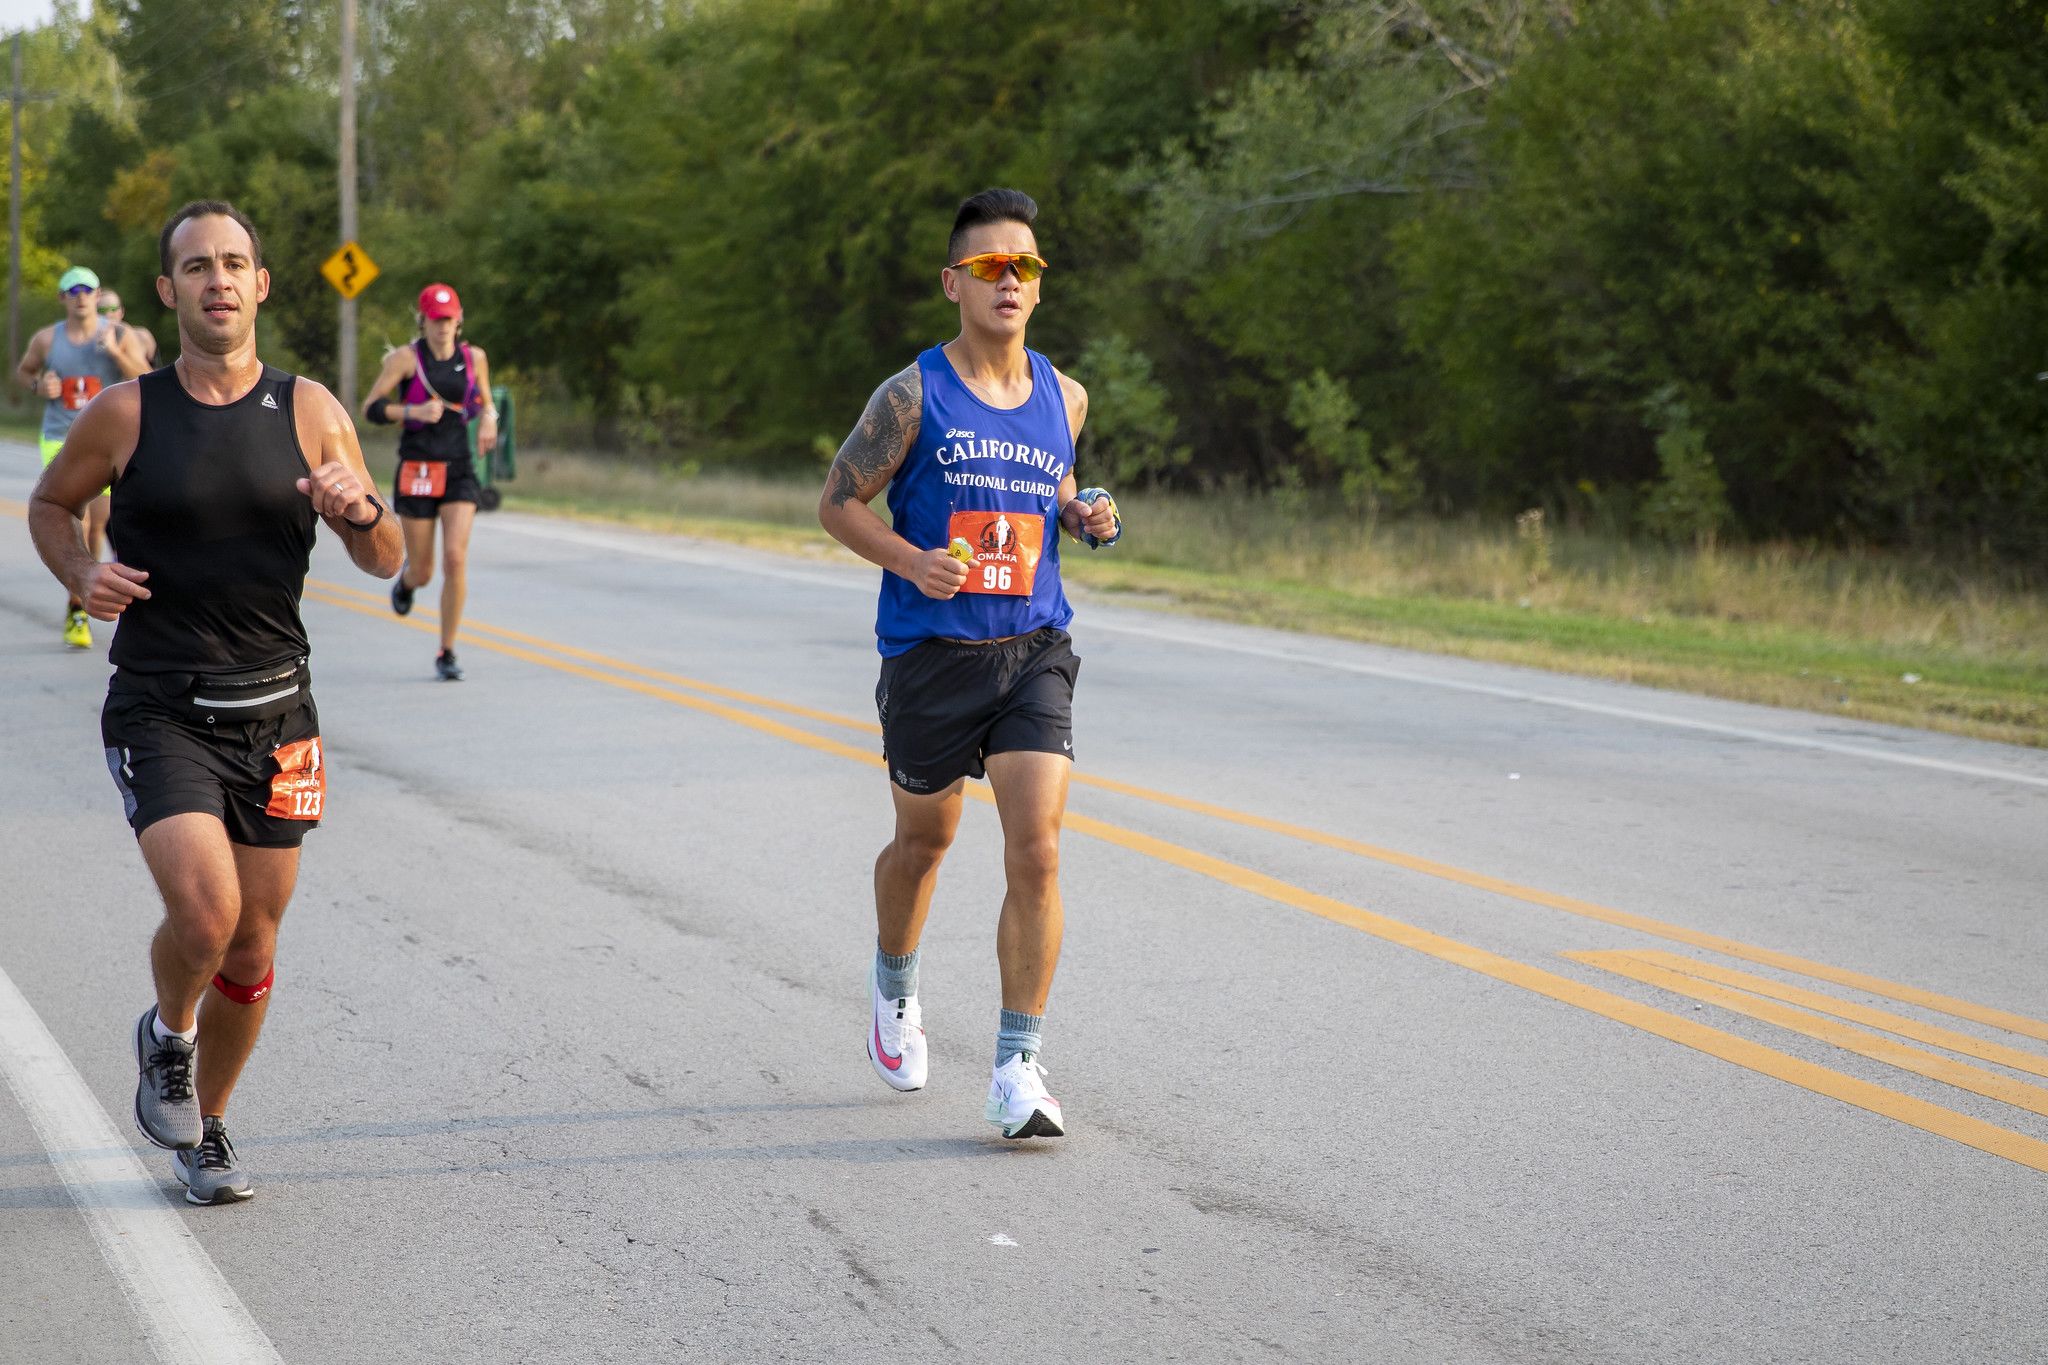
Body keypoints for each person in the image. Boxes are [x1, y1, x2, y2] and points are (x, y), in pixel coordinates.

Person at [27, 201, 403, 1204]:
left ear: (262, 284)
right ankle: (169, 1033)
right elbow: (50, 504)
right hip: (161, 703)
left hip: (279, 711)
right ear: (168, 291)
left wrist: (356, 507)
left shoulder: (312, 408)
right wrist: (81, 572)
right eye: (197, 267)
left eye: (235, 263)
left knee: (255, 941)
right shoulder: (129, 411)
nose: (219, 281)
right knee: (206, 915)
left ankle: (211, 1128)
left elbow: (385, 553)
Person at [817, 188, 1122, 1140]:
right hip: (930, 656)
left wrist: (1082, 511)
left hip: (1033, 648)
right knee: (926, 843)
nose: (1009, 281)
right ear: (954, 282)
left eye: (1024, 266)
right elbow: (837, 501)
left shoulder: (1063, 396)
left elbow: (1055, 485)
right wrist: (914, 561)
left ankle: (1017, 1067)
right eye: (990, 266)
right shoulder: (910, 395)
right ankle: (894, 982)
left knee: (1037, 846)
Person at [360, 283, 498, 680]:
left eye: (449, 319)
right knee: (422, 570)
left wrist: (490, 418)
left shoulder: (474, 358)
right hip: (418, 468)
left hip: (458, 468)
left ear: (459, 320)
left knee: (455, 558)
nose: (443, 327)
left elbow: (485, 403)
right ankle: (406, 584)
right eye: (436, 320)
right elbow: (371, 408)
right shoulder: (406, 360)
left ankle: (447, 651)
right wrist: (412, 410)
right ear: (422, 321)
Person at [16, 266, 152, 648]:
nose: (81, 296)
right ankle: (78, 606)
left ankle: (85, 596)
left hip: (107, 440)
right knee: (83, 515)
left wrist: (115, 352)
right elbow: (24, 372)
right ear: (62, 297)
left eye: (87, 289)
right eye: (72, 289)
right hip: (60, 435)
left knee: (97, 526)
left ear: (96, 295)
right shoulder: (47, 340)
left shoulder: (120, 334)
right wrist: (38, 384)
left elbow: (147, 375)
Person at [97, 289, 163, 367]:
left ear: (122, 312)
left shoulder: (142, 336)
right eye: (102, 310)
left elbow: (155, 372)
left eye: (113, 309)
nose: (108, 314)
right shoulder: (88, 342)